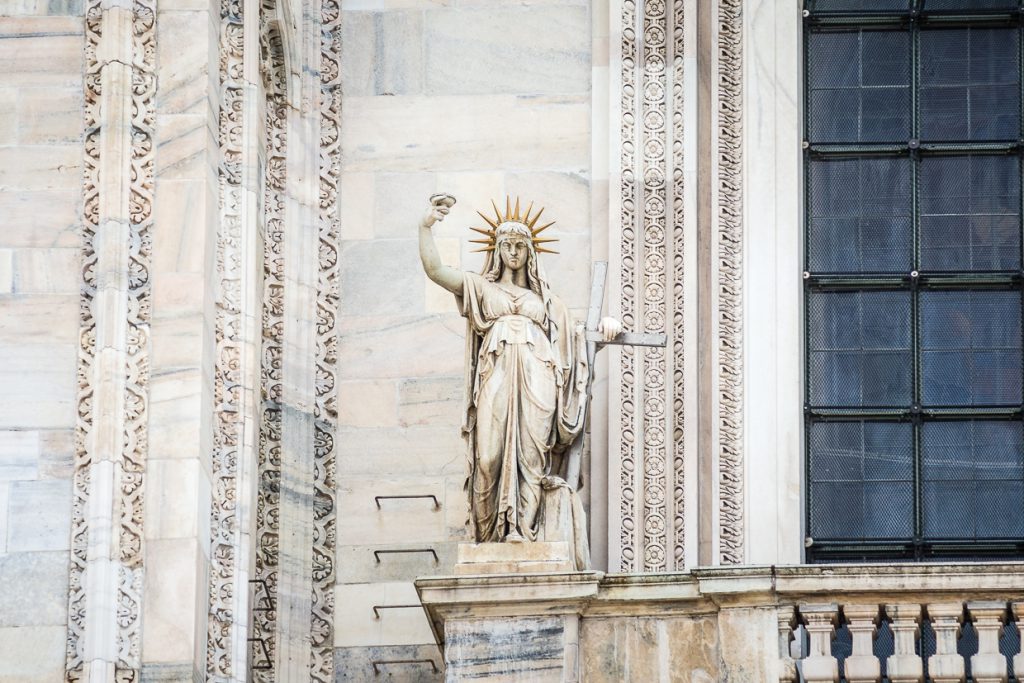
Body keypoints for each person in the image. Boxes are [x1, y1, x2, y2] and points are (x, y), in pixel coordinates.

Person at [418, 193, 621, 554]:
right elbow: (436, 272)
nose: (513, 252)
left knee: (532, 457)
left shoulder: (547, 302)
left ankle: (524, 534)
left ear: (531, 252)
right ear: (496, 250)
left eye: (520, 246)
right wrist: (426, 225)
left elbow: (576, 344)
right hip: (495, 374)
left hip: (538, 377)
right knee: (489, 457)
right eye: (507, 245)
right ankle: (490, 537)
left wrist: (605, 328)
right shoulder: (482, 288)